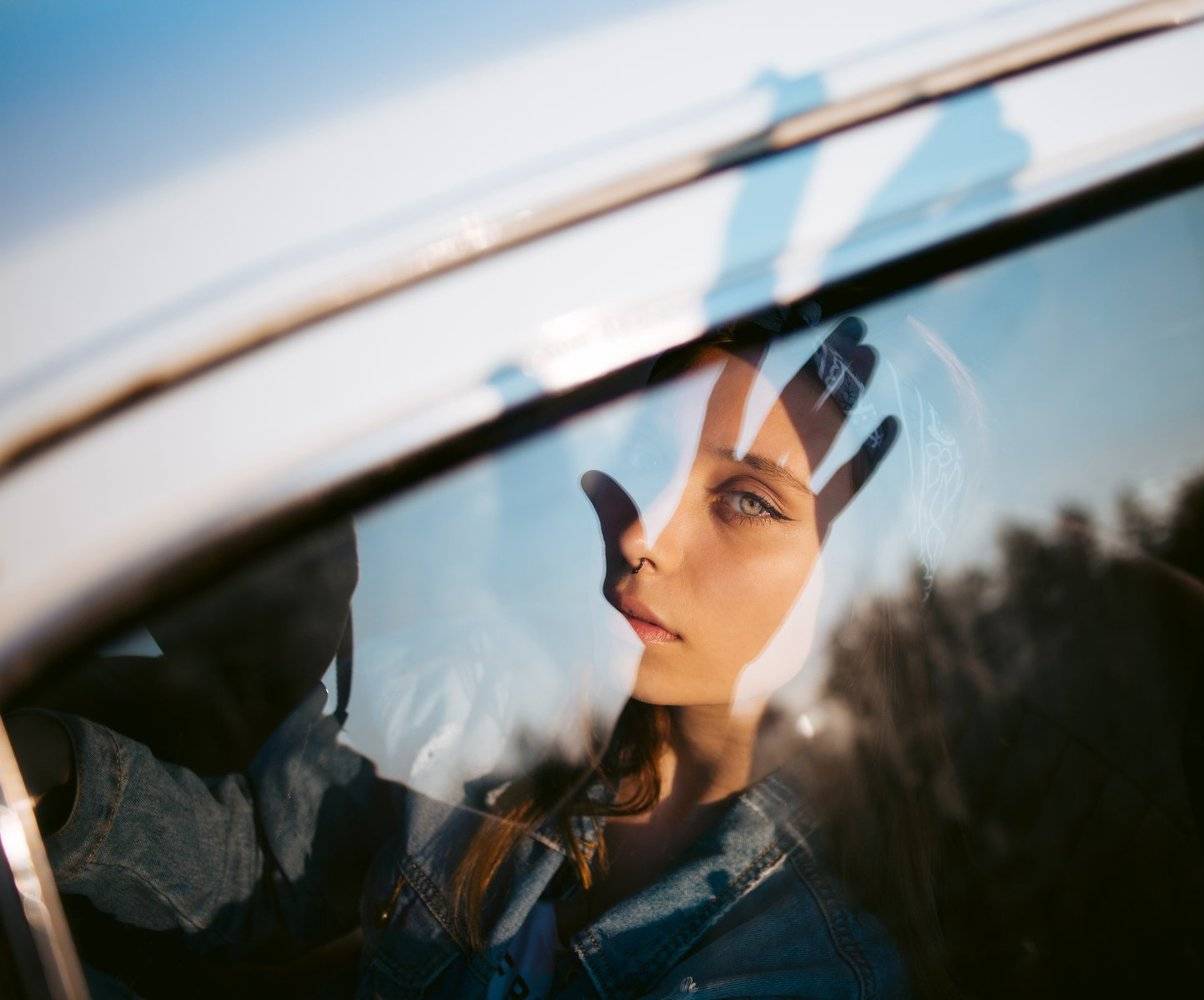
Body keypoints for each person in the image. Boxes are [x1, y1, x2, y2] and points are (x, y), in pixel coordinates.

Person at [6, 317, 914, 999]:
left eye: (749, 501)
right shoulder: (495, 694)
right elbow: (273, 875)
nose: (642, 531)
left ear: (870, 575)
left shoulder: (806, 965)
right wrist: (54, 775)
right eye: (649, 455)